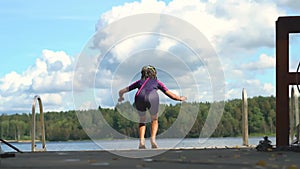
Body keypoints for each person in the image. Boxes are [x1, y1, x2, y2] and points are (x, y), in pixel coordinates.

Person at [118, 65, 187, 149]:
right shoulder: (157, 82)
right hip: (152, 97)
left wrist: (121, 97)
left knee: (142, 120)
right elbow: (171, 95)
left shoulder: (139, 82)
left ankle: (142, 142)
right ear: (154, 73)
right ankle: (153, 140)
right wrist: (180, 98)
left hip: (139, 97)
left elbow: (122, 91)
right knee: (154, 119)